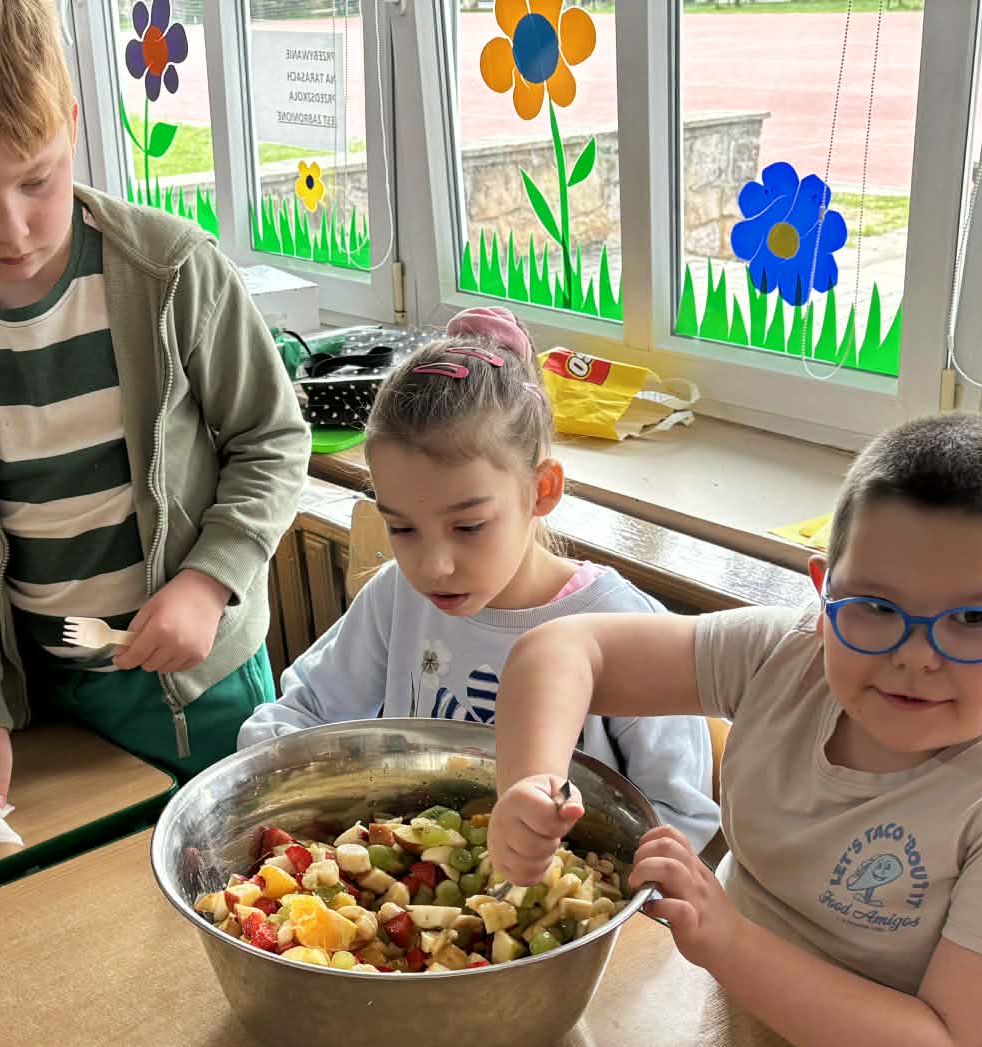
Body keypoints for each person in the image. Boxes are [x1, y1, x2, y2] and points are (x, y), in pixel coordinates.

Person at [490, 415, 982, 1047]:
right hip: (734, 1045)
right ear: (824, 595)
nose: (915, 655)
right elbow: (562, 651)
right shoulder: (790, 656)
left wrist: (730, 944)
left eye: (974, 620)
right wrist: (531, 785)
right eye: (875, 606)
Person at [0, 0, 307, 807]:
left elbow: (271, 440)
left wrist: (209, 581)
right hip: (37, 691)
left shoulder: (172, 272)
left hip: (199, 681)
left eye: (37, 179)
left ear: (70, 122)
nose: (13, 229)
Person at [242, 306, 716, 849]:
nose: (433, 567)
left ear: (541, 491)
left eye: (468, 527)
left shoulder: (624, 627)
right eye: (402, 528)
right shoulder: (397, 596)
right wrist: (265, 776)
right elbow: (299, 715)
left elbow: (679, 820)